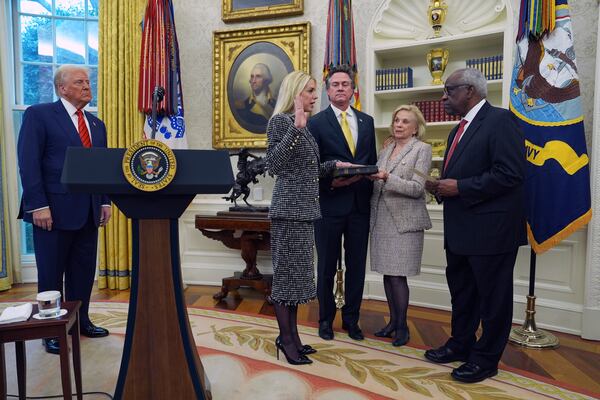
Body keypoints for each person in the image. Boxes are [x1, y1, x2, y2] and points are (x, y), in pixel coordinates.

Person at [424, 68, 526, 383]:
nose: (443, 98)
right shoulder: (458, 130)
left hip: (491, 232)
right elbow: (465, 174)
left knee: (493, 300)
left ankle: (485, 359)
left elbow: (510, 174)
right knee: (463, 293)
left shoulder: (500, 121)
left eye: (448, 91)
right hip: (460, 231)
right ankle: (460, 344)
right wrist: (440, 186)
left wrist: (461, 187)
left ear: (469, 90)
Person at [17, 65, 112, 354]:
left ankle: (81, 320)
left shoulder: (96, 124)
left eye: (88, 81)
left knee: (82, 272)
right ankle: (50, 329)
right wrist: (38, 205)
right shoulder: (39, 115)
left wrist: (105, 200)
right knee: (51, 273)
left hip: (88, 212)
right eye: (80, 82)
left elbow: (102, 167)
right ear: (62, 88)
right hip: (52, 212)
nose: (87, 86)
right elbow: (28, 162)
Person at [265, 70, 350, 365]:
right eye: (311, 91)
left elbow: (306, 170)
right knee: (285, 283)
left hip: (305, 213)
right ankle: (286, 340)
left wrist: (333, 165)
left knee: (297, 281)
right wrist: (296, 129)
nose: (316, 96)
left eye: (315, 91)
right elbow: (273, 165)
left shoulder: (305, 127)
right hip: (288, 213)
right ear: (296, 93)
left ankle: (294, 337)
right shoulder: (281, 122)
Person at [308, 64, 377, 341]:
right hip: (328, 204)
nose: (340, 88)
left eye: (345, 84)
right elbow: (311, 166)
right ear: (327, 91)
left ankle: (352, 320)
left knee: (357, 265)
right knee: (326, 265)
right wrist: (331, 182)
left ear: (353, 89)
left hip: (360, 206)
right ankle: (325, 320)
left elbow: (369, 161)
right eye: (334, 84)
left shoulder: (367, 122)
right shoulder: (315, 123)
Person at [368, 105, 432, 347]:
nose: (399, 124)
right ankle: (392, 323)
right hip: (382, 219)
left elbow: (417, 188)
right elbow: (377, 178)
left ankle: (403, 327)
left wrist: (387, 177)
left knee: (398, 277)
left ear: (416, 129)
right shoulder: (386, 149)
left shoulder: (422, 150)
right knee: (387, 273)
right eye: (396, 120)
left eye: (405, 121)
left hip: (405, 223)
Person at [236, 63, 277, 133]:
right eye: (252, 77)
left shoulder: (276, 104)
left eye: (258, 76)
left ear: (266, 80)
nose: (253, 81)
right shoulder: (242, 106)